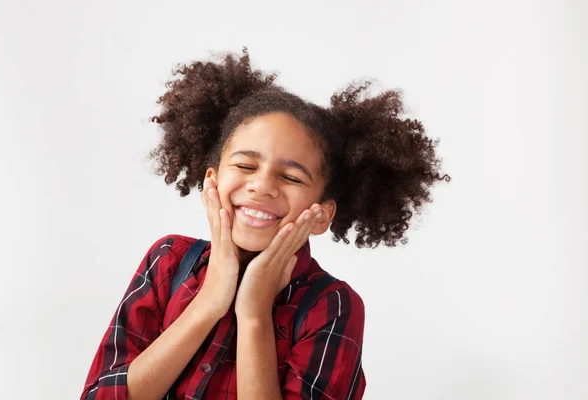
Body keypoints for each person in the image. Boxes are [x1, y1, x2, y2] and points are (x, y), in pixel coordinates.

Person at [81, 48, 448, 400]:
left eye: (291, 177)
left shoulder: (332, 307)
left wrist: (254, 312)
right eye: (245, 166)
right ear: (212, 180)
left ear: (321, 214)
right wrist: (209, 301)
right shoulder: (169, 262)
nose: (262, 185)